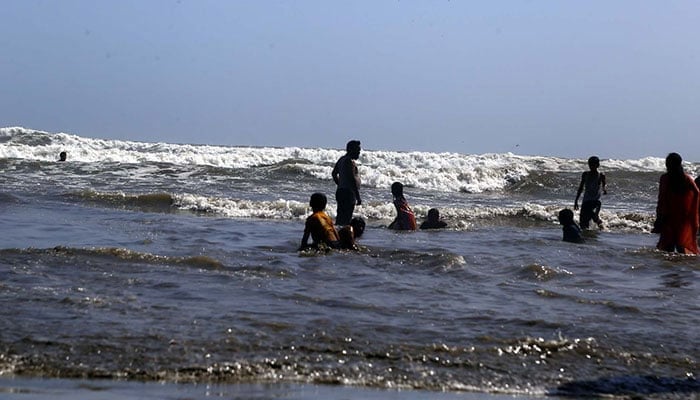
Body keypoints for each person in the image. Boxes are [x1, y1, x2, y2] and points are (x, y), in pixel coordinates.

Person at [652, 153, 699, 254]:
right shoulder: (686, 179)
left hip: (669, 216)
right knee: (679, 244)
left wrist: (659, 216)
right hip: (681, 216)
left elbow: (661, 199)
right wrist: (692, 213)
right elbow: (696, 193)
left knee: (669, 246)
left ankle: (671, 267)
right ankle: (679, 267)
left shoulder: (665, 178)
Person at [332, 140, 362, 226]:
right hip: (348, 193)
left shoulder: (342, 159)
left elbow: (334, 174)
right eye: (357, 151)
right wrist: (358, 196)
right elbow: (351, 179)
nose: (358, 153)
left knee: (341, 217)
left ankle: (338, 235)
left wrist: (340, 184)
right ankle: (344, 236)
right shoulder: (349, 161)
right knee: (346, 219)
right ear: (351, 150)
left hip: (341, 191)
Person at [574, 156, 607, 230]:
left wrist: (604, 189)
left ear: (597, 165)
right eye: (590, 164)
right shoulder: (585, 174)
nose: (591, 166)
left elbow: (604, 184)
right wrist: (576, 200)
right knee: (583, 222)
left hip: (596, 201)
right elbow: (581, 187)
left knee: (592, 216)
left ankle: (603, 227)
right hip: (586, 200)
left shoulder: (601, 174)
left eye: (593, 165)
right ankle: (591, 234)